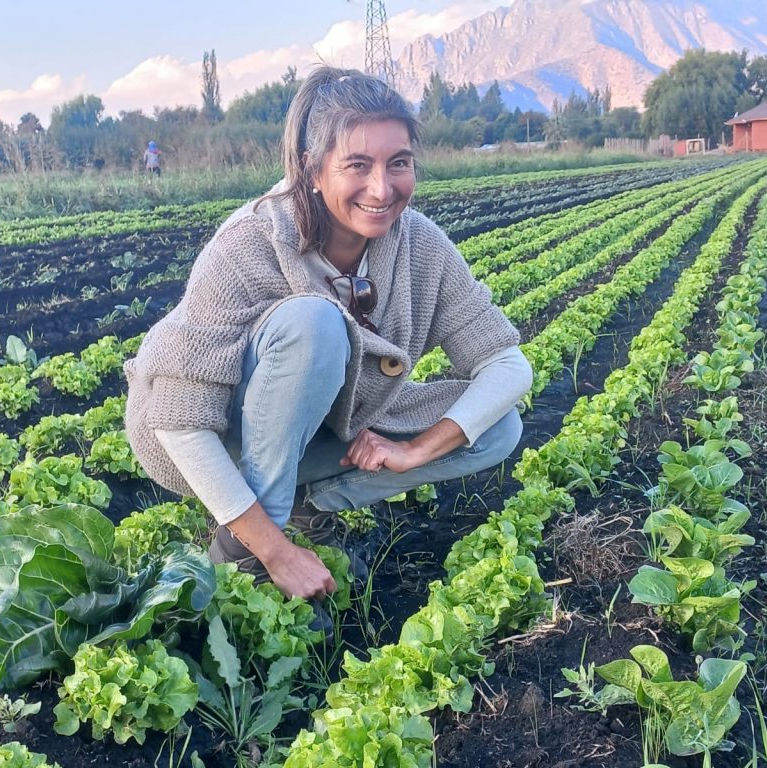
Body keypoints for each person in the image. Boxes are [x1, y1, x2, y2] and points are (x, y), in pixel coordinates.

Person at [124, 66, 532, 606]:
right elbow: (178, 423)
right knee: (314, 323)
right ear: (312, 170)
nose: (382, 189)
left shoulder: (419, 245)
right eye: (357, 166)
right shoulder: (250, 243)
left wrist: (413, 450)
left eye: (399, 164)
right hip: (214, 439)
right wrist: (276, 553)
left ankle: (306, 508)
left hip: (318, 430)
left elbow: (507, 365)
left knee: (497, 426)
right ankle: (247, 555)